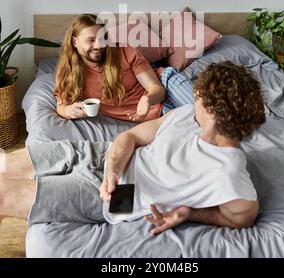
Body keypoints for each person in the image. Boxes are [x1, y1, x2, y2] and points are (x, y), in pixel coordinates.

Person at [0, 61, 266, 233]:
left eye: (199, 94)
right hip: (102, 153)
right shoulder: (186, 115)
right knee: (5, 163)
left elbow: (241, 218)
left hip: (121, 196)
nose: (194, 95)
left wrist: (190, 213)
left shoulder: (229, 173)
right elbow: (130, 138)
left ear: (210, 108)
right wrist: (113, 171)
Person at [54, 14, 165, 122]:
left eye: (102, 39)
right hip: (159, 116)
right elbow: (61, 105)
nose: (98, 46)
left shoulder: (124, 51)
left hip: (165, 89)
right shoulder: (68, 71)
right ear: (75, 42)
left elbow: (158, 89)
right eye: (91, 40)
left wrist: (147, 99)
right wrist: (67, 111)